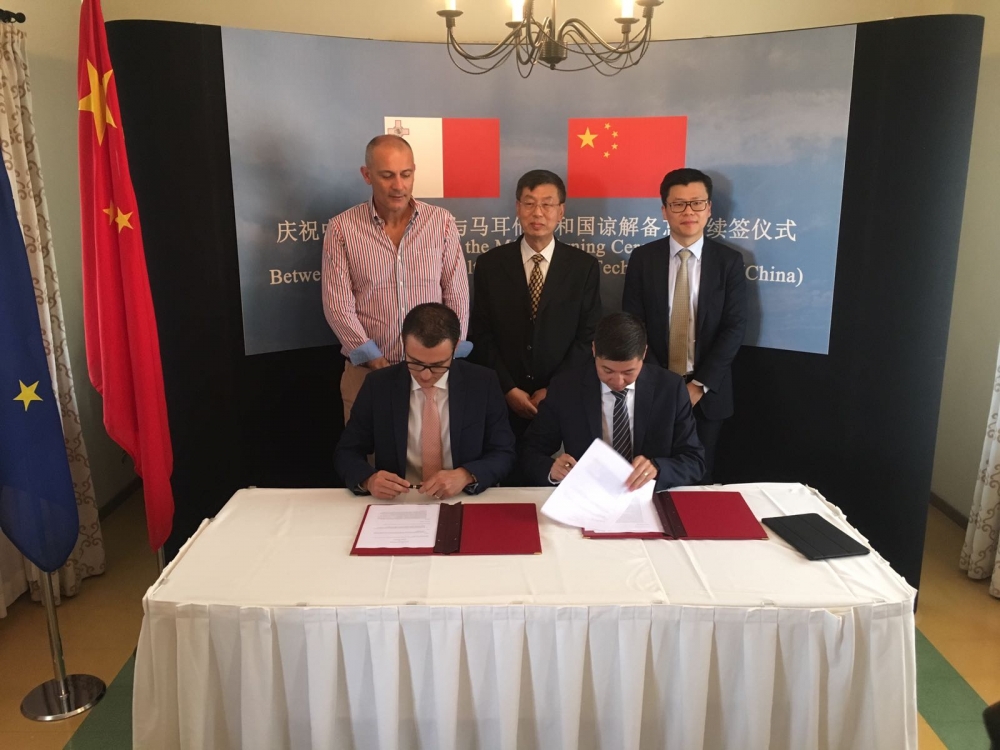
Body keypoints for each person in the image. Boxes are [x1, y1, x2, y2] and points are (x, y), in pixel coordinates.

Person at [322, 135, 470, 424]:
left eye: (406, 174)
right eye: (387, 175)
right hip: (367, 375)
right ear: (367, 175)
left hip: (434, 374)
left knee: (434, 450)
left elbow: (457, 296)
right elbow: (337, 306)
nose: (399, 185)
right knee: (370, 453)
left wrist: (448, 357)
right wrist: (374, 359)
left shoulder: (441, 223)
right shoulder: (342, 229)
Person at [622, 168, 747, 482]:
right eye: (678, 204)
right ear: (664, 210)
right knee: (647, 477)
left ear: (709, 208)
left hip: (708, 394)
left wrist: (699, 385)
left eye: (697, 203)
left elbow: (734, 327)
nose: (688, 211)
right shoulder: (643, 259)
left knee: (699, 479)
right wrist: (663, 383)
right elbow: (634, 324)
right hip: (653, 389)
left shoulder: (728, 262)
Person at [469, 169, 602, 441]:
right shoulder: (490, 264)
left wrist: (553, 388)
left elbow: (587, 336)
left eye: (547, 204)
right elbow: (481, 333)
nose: (537, 213)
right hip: (503, 399)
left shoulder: (583, 267)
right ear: (517, 208)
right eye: (529, 203)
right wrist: (508, 388)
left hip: (563, 397)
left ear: (561, 211)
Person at [334, 303, 515, 500]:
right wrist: (369, 480)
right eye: (416, 363)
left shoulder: (482, 383)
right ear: (403, 342)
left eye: (438, 365)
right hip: (399, 499)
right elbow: (347, 451)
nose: (426, 376)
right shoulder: (379, 385)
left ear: (456, 347)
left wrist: (466, 475)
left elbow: (504, 452)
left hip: (463, 495)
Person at [520, 312, 705, 491]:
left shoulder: (670, 389)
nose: (618, 381)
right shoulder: (566, 388)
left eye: (628, 372)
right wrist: (552, 469)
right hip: (588, 494)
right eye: (607, 370)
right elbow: (530, 451)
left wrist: (657, 469)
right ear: (594, 350)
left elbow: (694, 461)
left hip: (647, 495)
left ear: (644, 353)